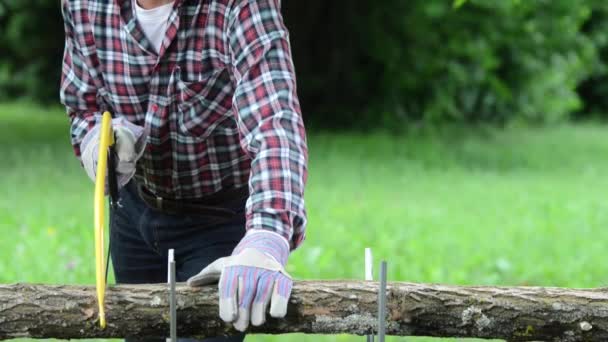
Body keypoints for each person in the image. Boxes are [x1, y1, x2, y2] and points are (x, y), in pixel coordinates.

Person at [59, 0, 308, 341]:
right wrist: (95, 138)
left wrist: (266, 237)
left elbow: (274, 122)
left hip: (218, 220)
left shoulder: (241, 5)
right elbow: (82, 104)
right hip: (133, 213)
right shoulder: (82, 5)